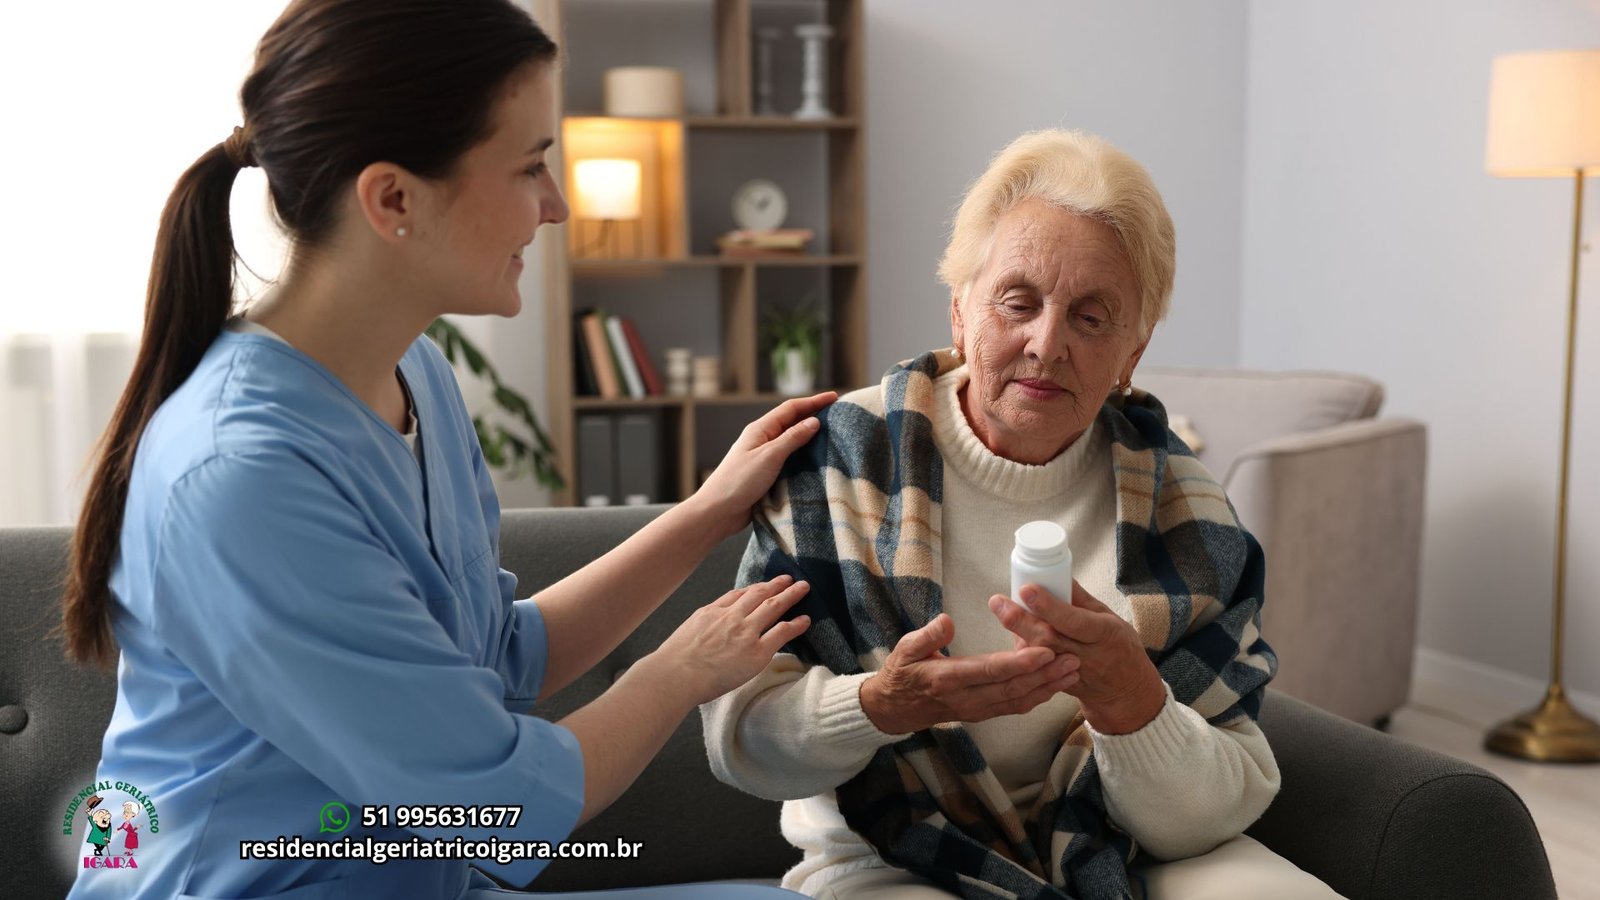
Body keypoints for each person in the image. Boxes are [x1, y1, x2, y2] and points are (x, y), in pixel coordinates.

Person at [60, 1, 828, 897]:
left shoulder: (412, 373)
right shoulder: (240, 475)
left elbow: (496, 656)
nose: (557, 206)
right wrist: (681, 671)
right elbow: (497, 806)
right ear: (393, 199)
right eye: (532, 165)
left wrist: (708, 514)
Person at [701, 130, 1344, 899]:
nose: (1047, 344)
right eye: (1019, 302)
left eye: (1091, 317)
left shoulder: (1188, 510)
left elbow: (1209, 813)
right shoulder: (839, 465)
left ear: (1132, 355)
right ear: (961, 314)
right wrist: (880, 705)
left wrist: (1133, 703)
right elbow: (739, 740)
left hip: (1128, 846)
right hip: (891, 854)